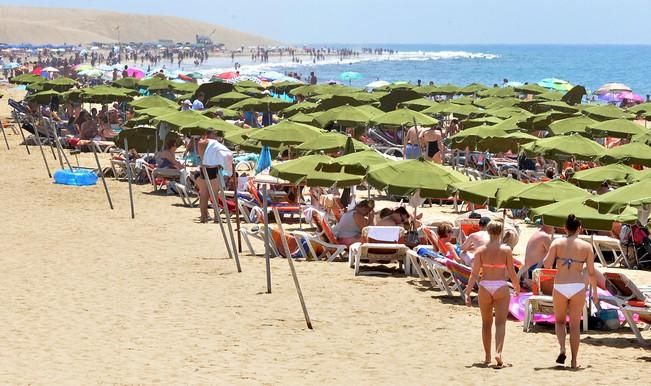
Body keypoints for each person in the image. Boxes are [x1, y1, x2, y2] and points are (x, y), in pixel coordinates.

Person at [542, 214, 598, 369]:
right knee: (574, 326)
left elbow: (546, 264)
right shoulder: (587, 246)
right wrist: (594, 292)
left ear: (565, 228)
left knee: (559, 322)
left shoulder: (557, 242)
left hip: (560, 285)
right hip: (578, 287)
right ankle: (574, 361)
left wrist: (557, 258)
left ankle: (562, 348)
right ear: (579, 228)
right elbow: (592, 272)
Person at [465, 221, 520, 367]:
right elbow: (512, 272)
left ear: (488, 232)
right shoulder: (506, 250)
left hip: (485, 286)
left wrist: (468, 292)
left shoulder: (480, 250)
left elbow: (474, 273)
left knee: (486, 323)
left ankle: (487, 356)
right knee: (501, 323)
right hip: (500, 286)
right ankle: (498, 352)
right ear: (501, 232)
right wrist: (517, 287)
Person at [195, 129, 233, 223]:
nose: (216, 137)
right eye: (214, 134)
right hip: (212, 169)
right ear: (210, 134)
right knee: (214, 194)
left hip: (203, 168)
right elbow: (223, 153)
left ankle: (203, 217)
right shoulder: (213, 143)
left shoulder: (200, 143)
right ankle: (216, 217)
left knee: (204, 194)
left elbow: (204, 156)